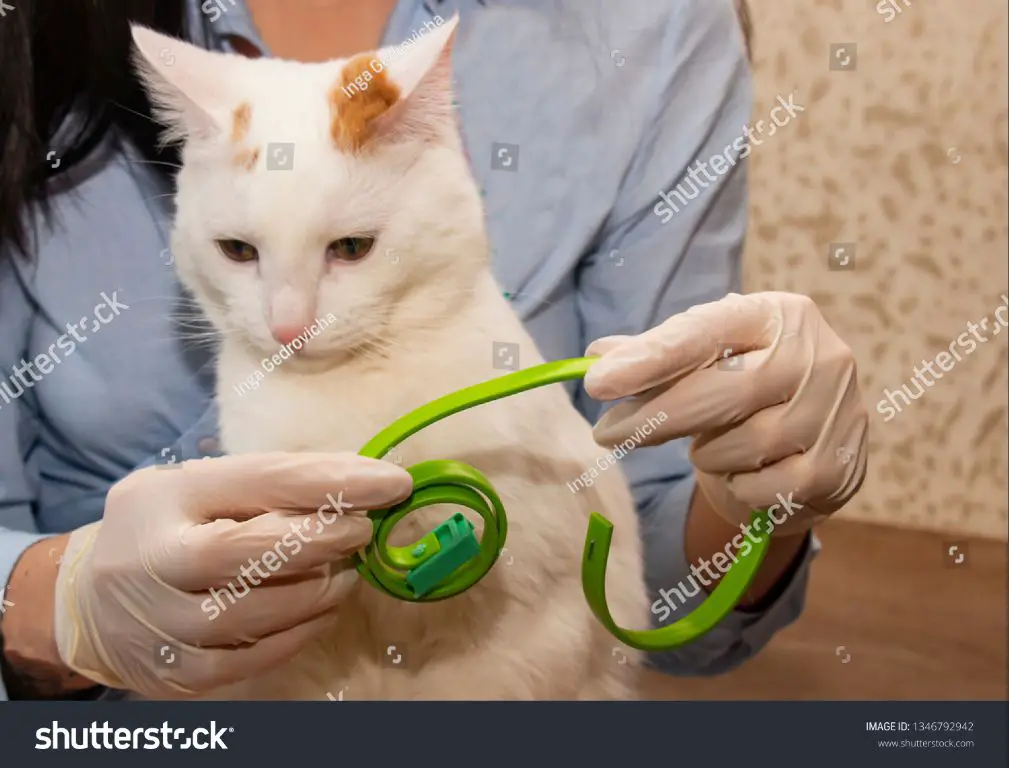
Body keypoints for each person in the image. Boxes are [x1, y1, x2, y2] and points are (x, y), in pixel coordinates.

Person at [0, 0, 868, 699]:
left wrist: (762, 492)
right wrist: (54, 602)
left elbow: (671, 601)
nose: (287, 324)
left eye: (348, 249)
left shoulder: (648, 28)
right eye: (239, 253)